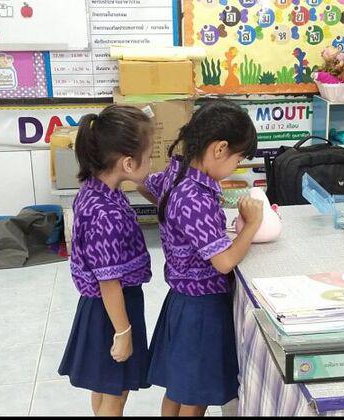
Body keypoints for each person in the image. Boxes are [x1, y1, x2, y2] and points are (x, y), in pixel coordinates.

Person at [141, 99, 263, 417]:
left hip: (181, 301)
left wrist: (172, 213)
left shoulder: (175, 173)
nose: (235, 167)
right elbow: (224, 262)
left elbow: (147, 185)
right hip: (202, 309)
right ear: (220, 149)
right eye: (238, 159)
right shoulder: (196, 198)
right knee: (195, 397)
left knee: (178, 386)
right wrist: (252, 225)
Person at [57, 106, 155, 416]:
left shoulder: (96, 191)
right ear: (128, 163)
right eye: (149, 156)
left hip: (104, 307)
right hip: (112, 310)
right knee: (116, 392)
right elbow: (108, 281)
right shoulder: (105, 214)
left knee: (104, 385)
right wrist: (123, 333)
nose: (151, 163)